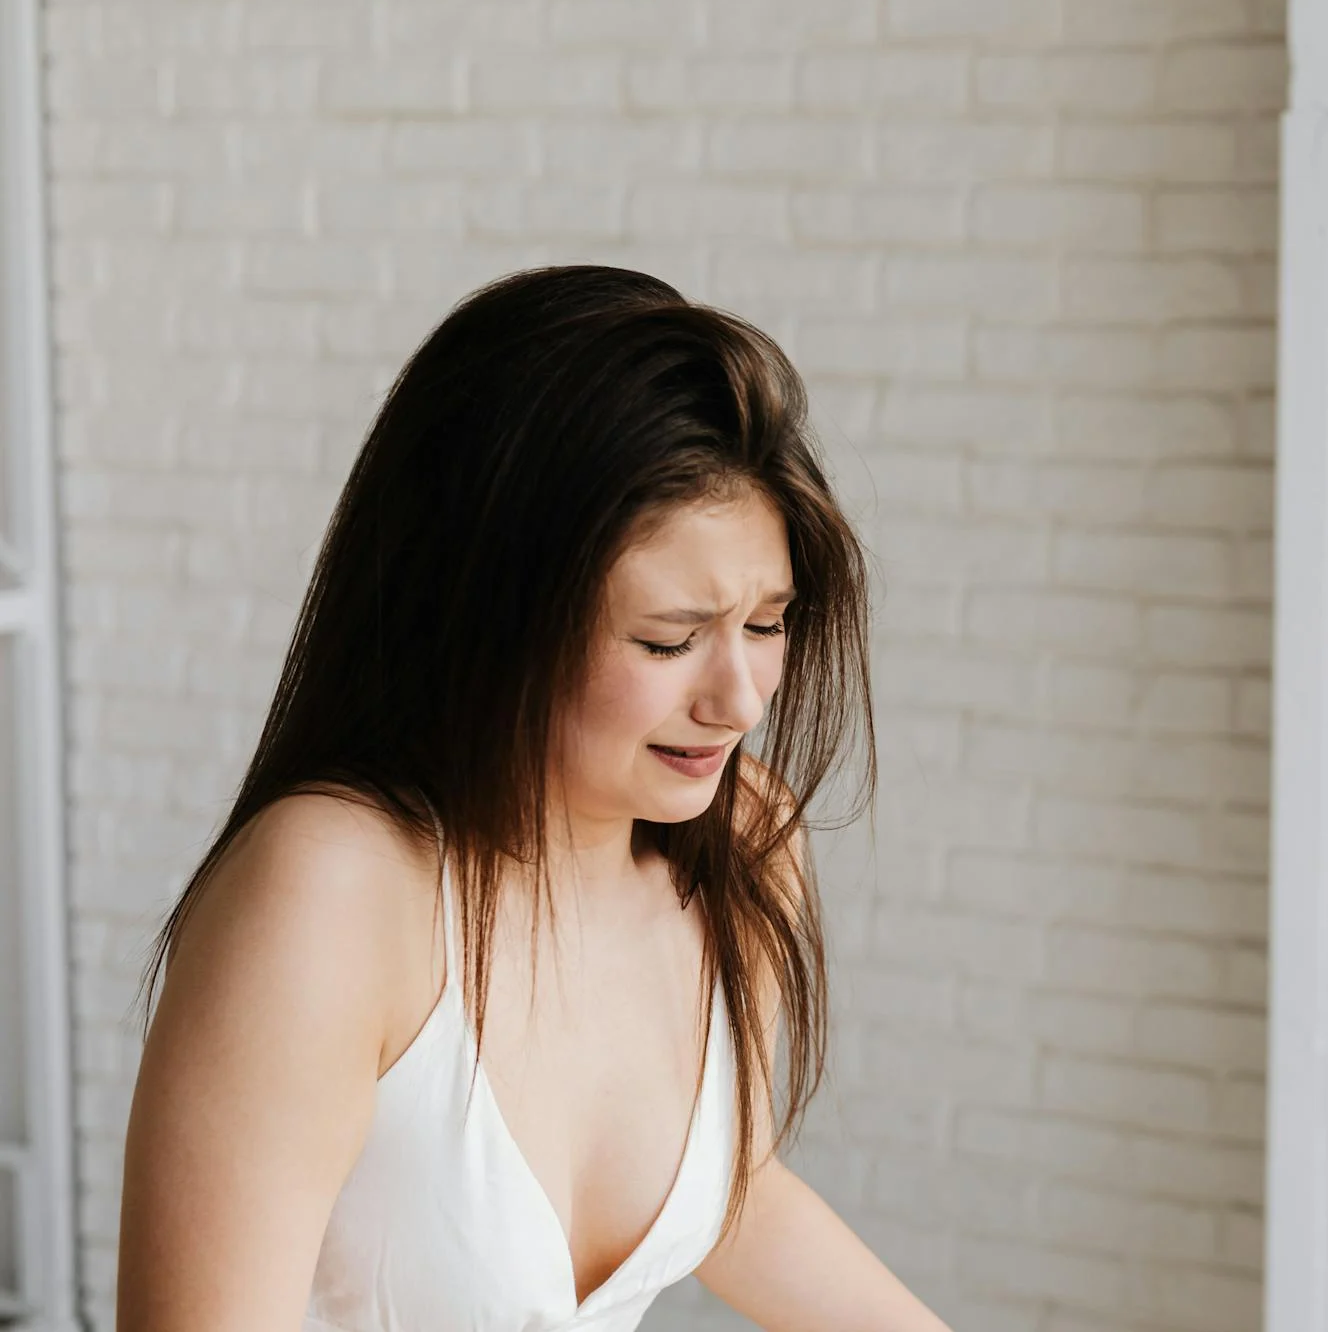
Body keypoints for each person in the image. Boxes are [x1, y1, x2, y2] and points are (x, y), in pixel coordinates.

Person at [115, 266, 952, 1331]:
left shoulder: (745, 843)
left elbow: (732, 1198)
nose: (738, 698)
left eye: (768, 624)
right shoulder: (332, 895)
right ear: (492, 615)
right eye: (669, 639)